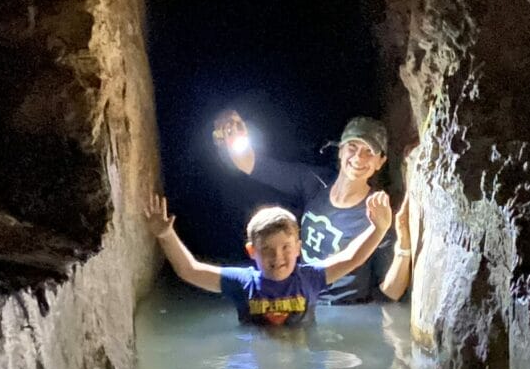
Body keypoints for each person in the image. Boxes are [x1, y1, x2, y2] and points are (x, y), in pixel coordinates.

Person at [213, 110, 411, 304]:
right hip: (301, 300)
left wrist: (404, 244)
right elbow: (251, 165)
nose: (359, 158)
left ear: (380, 162)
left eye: (370, 152)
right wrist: (235, 137)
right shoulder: (314, 182)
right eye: (352, 147)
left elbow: (391, 292)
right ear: (340, 150)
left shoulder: (378, 214)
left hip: (345, 310)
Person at [143, 193, 392, 326]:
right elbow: (190, 270)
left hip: (301, 356)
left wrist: (379, 229)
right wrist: (166, 235)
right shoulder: (242, 283)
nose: (278, 257)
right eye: (267, 250)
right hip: (256, 359)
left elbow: (352, 258)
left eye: (286, 247)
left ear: (298, 249)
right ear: (252, 252)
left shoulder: (311, 278)